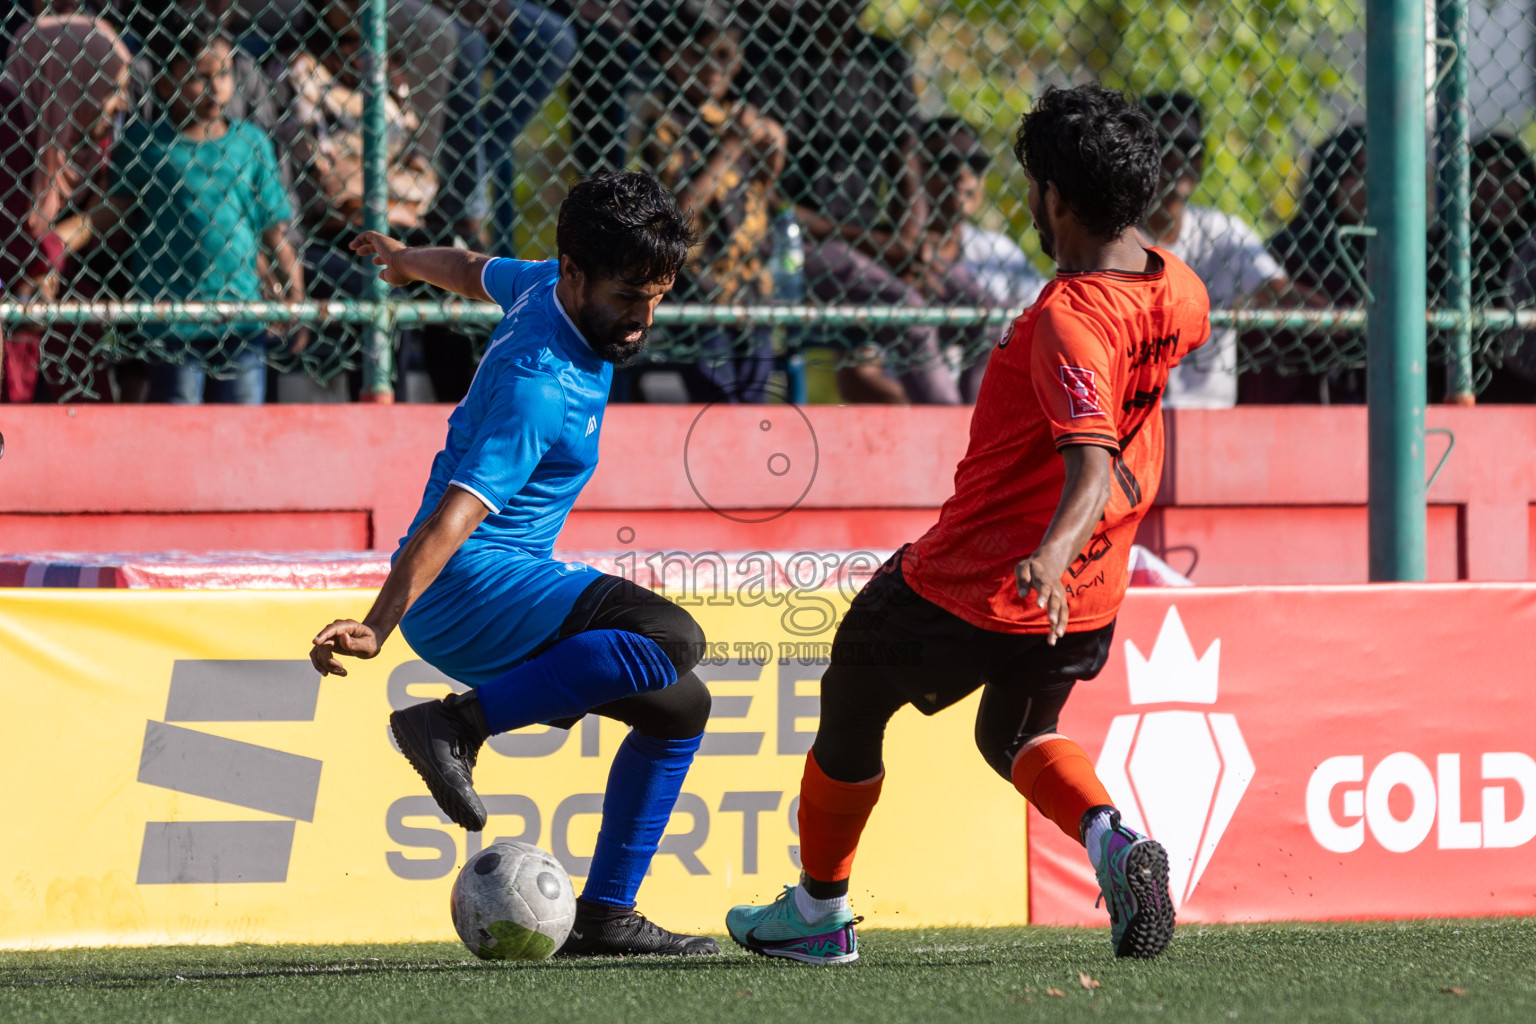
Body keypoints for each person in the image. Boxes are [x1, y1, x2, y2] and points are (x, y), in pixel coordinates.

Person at [724, 85, 1209, 964]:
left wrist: (1047, 556)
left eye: (1031, 184)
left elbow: (1090, 461)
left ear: (1055, 198)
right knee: (1017, 734)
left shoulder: (1071, 319)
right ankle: (1117, 845)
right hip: (1098, 586)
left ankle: (818, 914)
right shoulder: (1177, 285)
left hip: (989, 573)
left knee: (853, 686)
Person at [307, 171, 719, 958]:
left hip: (492, 581)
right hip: (469, 585)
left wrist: (403, 258)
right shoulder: (541, 384)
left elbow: (467, 269)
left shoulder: (539, 287)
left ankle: (606, 918)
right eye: (629, 298)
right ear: (576, 273)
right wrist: (375, 628)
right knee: (671, 635)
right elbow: (455, 515)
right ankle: (456, 723)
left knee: (680, 709)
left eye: (656, 298)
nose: (642, 320)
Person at [748, 0, 958, 404]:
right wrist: (882, 245)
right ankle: (960, 452)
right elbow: (763, 192)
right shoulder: (770, 60)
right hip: (795, 245)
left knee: (978, 308)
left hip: (879, 243)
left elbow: (906, 164)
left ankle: (987, 440)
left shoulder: (884, 60)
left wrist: (910, 243)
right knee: (909, 311)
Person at [106, 11, 304, 404]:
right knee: (180, 421)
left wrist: (295, 294)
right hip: (172, 319)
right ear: (164, 83)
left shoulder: (251, 144)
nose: (215, 87)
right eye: (199, 76)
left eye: (225, 74)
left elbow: (272, 229)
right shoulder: (147, 145)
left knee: (242, 423)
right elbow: (115, 210)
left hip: (244, 316)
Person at [634, 0, 785, 402]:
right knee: (718, 399)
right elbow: (679, 212)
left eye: (723, 55)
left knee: (756, 397)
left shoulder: (735, 117)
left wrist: (773, 147)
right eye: (696, 54)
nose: (711, 66)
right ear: (669, 58)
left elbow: (764, 189)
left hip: (750, 283)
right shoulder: (665, 124)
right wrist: (732, 146)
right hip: (698, 285)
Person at [1140, 92, 1312, 409]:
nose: (1178, 159)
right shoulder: (1116, 240)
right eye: (1164, 146)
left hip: (1211, 415)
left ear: (1202, 159)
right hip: (1135, 417)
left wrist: (1357, 316)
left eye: (1189, 147)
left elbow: (1276, 291)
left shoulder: (1222, 232)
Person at [0, 13, 130, 403]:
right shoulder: (10, 129)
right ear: (70, 85)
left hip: (61, 305)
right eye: (111, 88)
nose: (122, 103)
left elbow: (118, 205)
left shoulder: (89, 137)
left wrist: (53, 251)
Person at [919, 115, 1043, 402]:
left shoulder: (998, 252)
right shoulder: (883, 256)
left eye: (975, 164)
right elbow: (859, 376)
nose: (963, 175)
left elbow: (1046, 324)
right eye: (946, 163)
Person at [1247, 126, 1367, 404]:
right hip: (1295, 399)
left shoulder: (1381, 249)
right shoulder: (1287, 251)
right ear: (1332, 178)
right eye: (1360, 172)